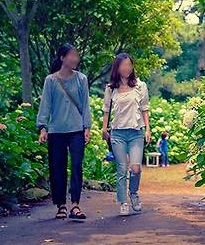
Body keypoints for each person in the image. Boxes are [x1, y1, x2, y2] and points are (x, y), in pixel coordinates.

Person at [36, 44, 91, 220]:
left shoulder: (81, 79)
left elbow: (85, 104)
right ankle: (61, 205)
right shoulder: (51, 80)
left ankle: (75, 205)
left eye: (77, 56)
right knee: (57, 168)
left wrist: (87, 127)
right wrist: (42, 127)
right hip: (56, 131)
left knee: (76, 166)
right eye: (72, 56)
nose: (75, 59)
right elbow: (45, 104)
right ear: (62, 58)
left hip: (76, 130)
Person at [101, 53, 150, 216]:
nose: (127, 68)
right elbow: (106, 110)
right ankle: (123, 202)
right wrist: (104, 129)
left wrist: (148, 129)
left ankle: (133, 193)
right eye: (123, 65)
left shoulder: (140, 86)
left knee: (135, 168)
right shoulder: (111, 88)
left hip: (136, 132)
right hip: (118, 133)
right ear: (117, 67)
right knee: (122, 169)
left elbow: (145, 108)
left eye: (129, 65)